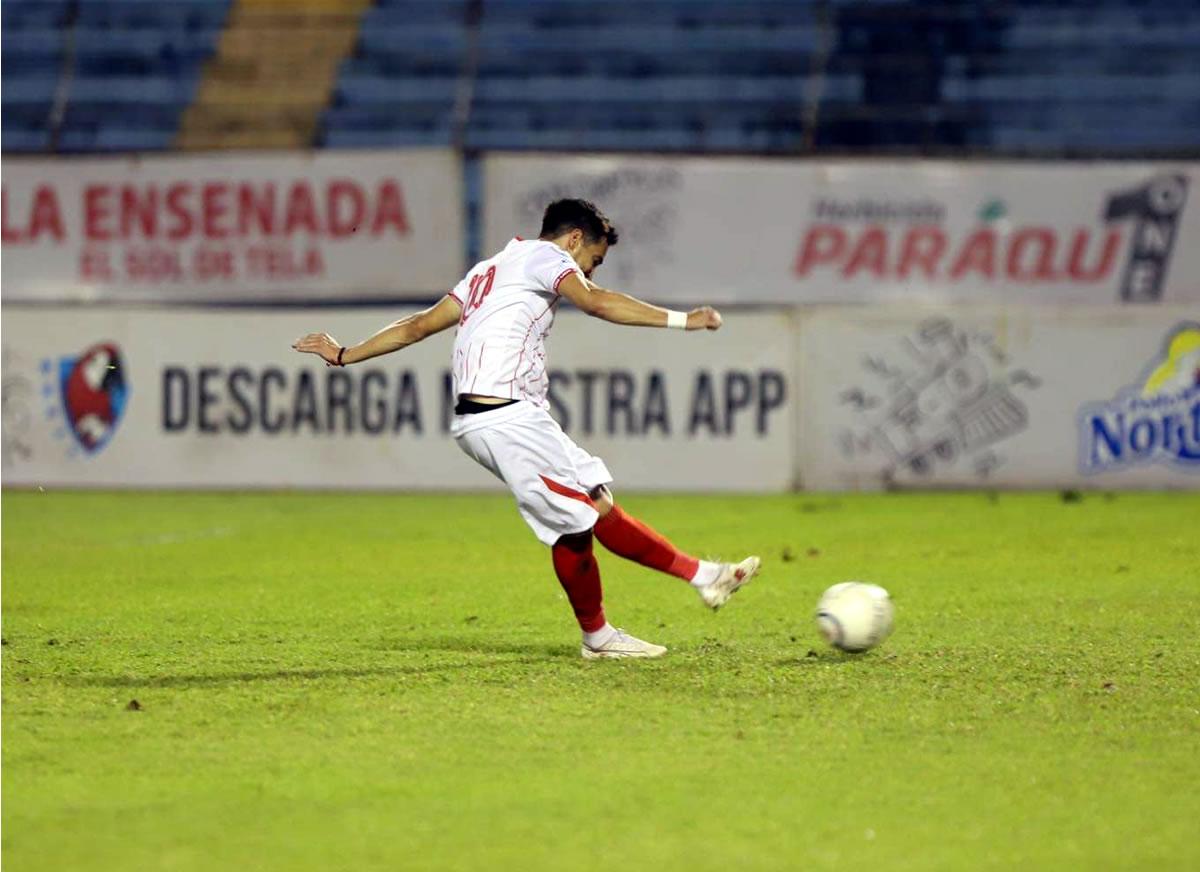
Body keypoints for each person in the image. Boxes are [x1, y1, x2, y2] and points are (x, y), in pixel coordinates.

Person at [293, 199, 760, 659]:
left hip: (512, 415)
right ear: (574, 239)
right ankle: (703, 577)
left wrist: (344, 354)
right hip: (504, 418)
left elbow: (417, 326)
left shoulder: (488, 270)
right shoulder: (546, 257)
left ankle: (603, 635)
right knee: (590, 514)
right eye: (593, 261)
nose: (590, 274)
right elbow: (595, 303)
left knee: (587, 510)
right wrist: (686, 320)